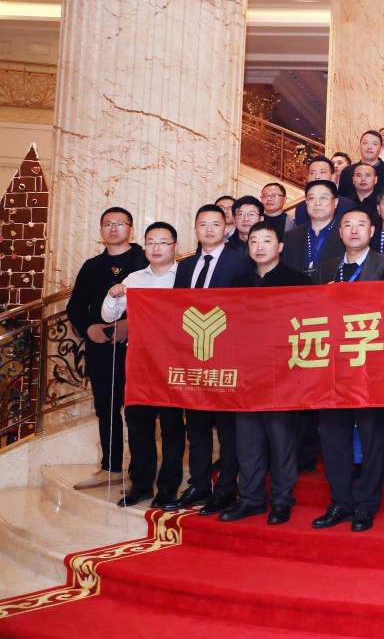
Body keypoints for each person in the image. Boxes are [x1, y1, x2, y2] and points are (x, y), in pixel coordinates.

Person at [220, 225, 312, 525]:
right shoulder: (238, 282)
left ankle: (282, 500)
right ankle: (251, 499)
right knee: (247, 441)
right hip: (246, 375)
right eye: (254, 241)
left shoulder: (298, 282)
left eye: (267, 240)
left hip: (281, 376)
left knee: (281, 440)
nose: (259, 246)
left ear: (280, 246)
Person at [311, 209, 384, 532]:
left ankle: (366, 506)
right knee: (333, 437)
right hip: (332, 368)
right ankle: (341, 502)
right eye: (347, 225)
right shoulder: (326, 268)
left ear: (372, 231)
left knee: (371, 437)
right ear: (339, 232)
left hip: (370, 366)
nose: (354, 231)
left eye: (361, 225)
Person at [173, 204, 252, 513]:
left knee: (228, 429)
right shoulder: (185, 266)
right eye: (203, 224)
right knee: (197, 427)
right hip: (193, 358)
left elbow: (246, 309)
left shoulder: (240, 262)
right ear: (195, 229)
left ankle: (226, 489)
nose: (209, 229)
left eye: (215, 224)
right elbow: (176, 309)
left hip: (227, 358)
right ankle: (199, 484)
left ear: (226, 229)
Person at [67, 207, 149, 493]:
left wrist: (130, 323)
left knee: (139, 413)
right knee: (106, 409)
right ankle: (111, 467)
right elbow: (75, 307)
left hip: (139, 350)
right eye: (107, 224)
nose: (113, 228)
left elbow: (161, 302)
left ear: (131, 228)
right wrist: (89, 328)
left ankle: (140, 473)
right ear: (101, 230)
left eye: (119, 223)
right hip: (101, 348)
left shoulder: (145, 259)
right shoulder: (92, 265)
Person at [100, 221, 181, 508]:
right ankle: (141, 485)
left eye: (163, 242)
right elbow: (108, 316)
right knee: (137, 424)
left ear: (175, 246)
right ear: (144, 246)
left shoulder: (184, 277)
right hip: (140, 363)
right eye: (151, 242)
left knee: (172, 426)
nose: (156, 248)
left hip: (173, 362)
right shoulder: (134, 279)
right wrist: (112, 296)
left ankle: (168, 487)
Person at [282, 180, 345, 277]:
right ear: (306, 202)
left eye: (323, 198)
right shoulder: (291, 236)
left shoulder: (346, 234)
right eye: (311, 198)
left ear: (335, 202)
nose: (317, 203)